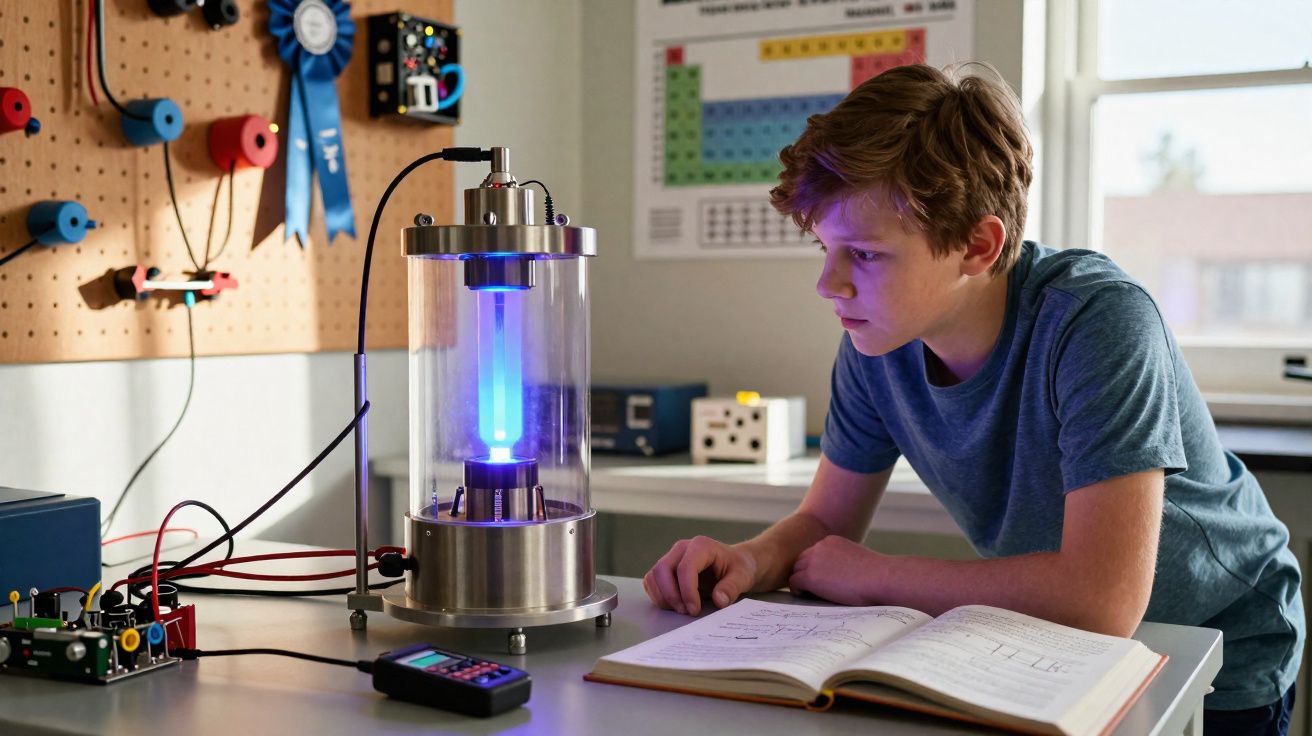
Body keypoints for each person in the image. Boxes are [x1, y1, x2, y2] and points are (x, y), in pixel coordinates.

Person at [642, 63, 1303, 733]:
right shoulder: (878, 341)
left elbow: (1101, 599)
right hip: (1062, 650)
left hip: (1218, 643)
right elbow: (825, 528)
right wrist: (751, 559)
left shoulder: (1099, 323)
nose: (829, 284)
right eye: (826, 247)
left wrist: (880, 576)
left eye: (865, 255)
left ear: (976, 247)